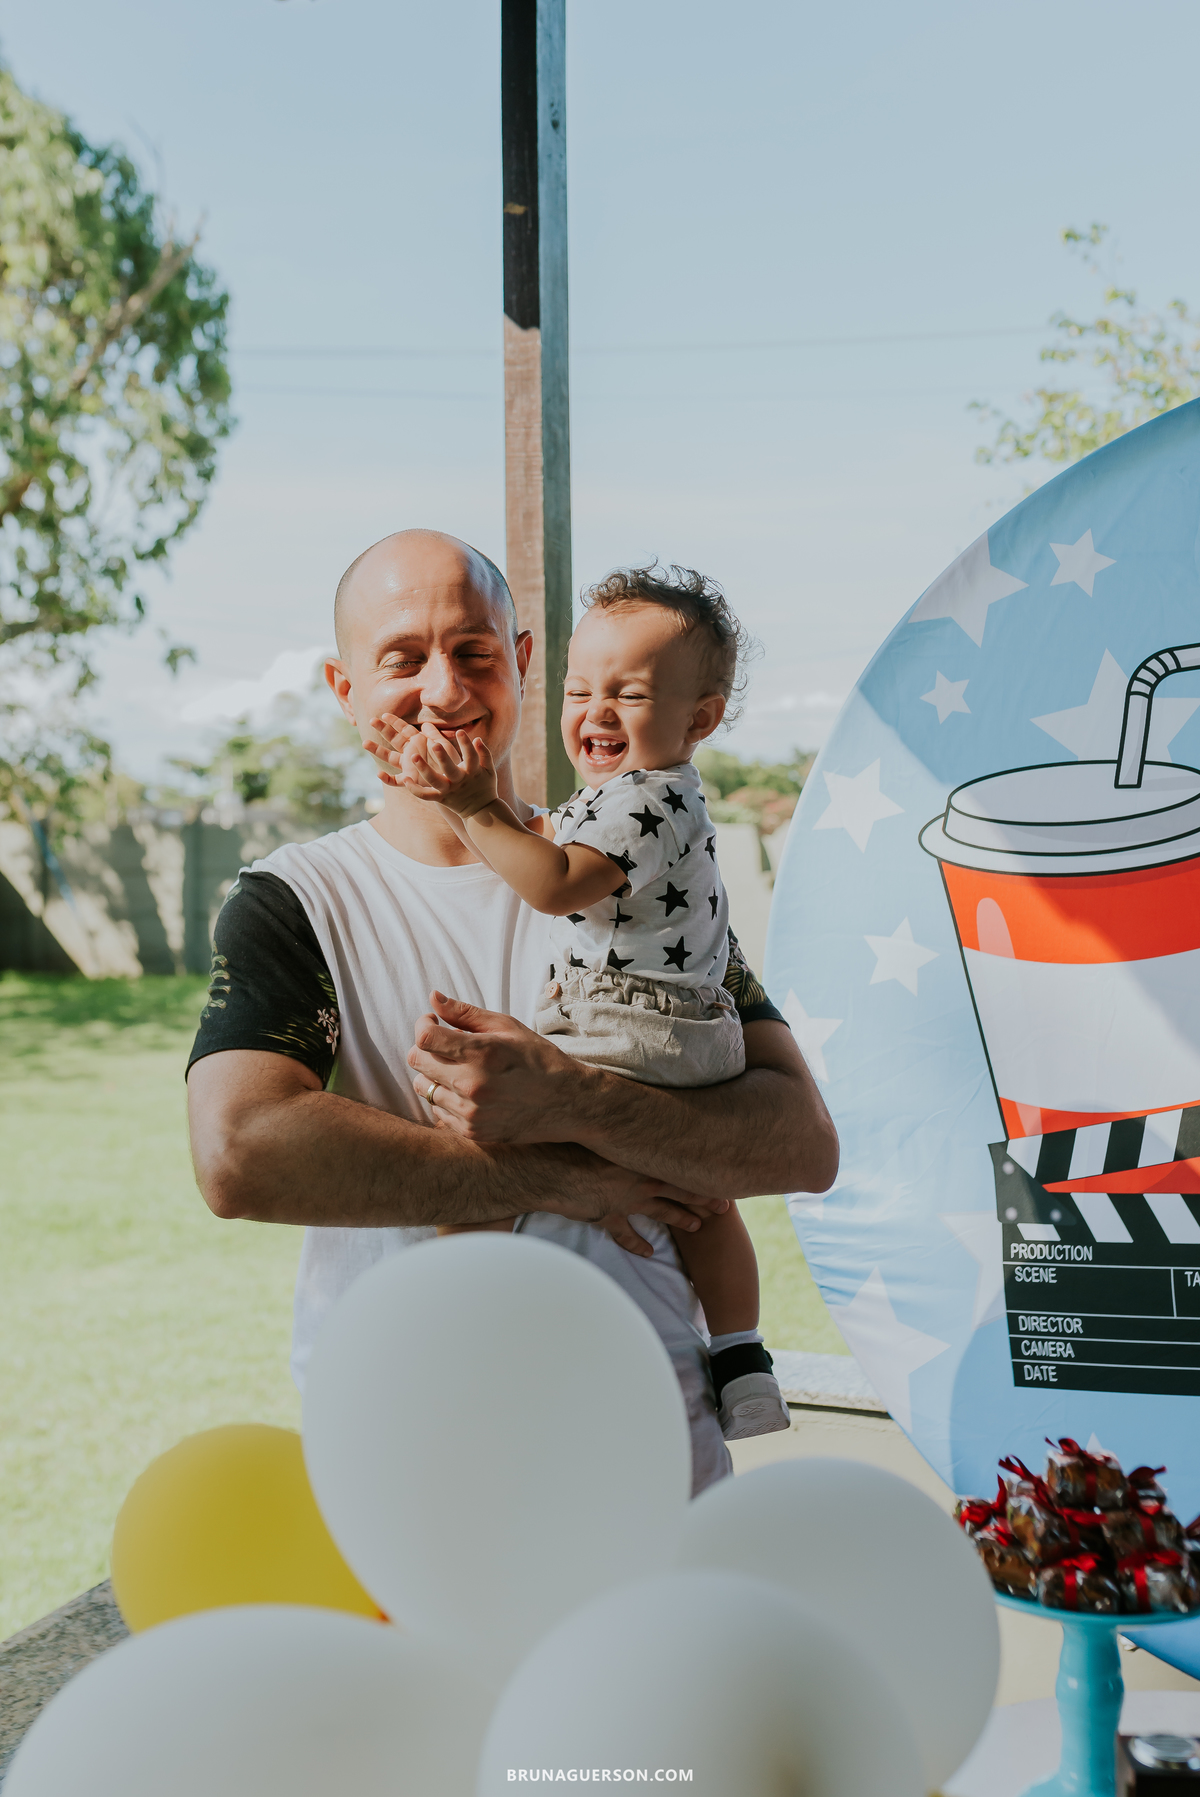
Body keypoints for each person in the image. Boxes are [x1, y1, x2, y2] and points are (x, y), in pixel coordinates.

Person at [185, 529, 838, 1495]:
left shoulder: (632, 874)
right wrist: (564, 1172)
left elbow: (799, 1144)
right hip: (413, 1464)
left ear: (524, 662)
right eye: (403, 659)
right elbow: (243, 1150)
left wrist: (574, 1099)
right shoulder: (297, 897)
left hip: (647, 1452)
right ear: (344, 688)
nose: (445, 691)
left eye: (476, 653)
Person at [369, 562, 789, 1440]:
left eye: (627, 693)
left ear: (699, 719)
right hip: (692, 1032)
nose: (595, 711)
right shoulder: (642, 797)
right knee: (705, 1199)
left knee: (480, 1138)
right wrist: (482, 799)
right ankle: (744, 1357)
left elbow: (554, 883)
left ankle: (449, 1324)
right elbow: (546, 835)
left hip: (631, 1026)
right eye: (579, 689)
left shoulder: (644, 802)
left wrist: (470, 804)